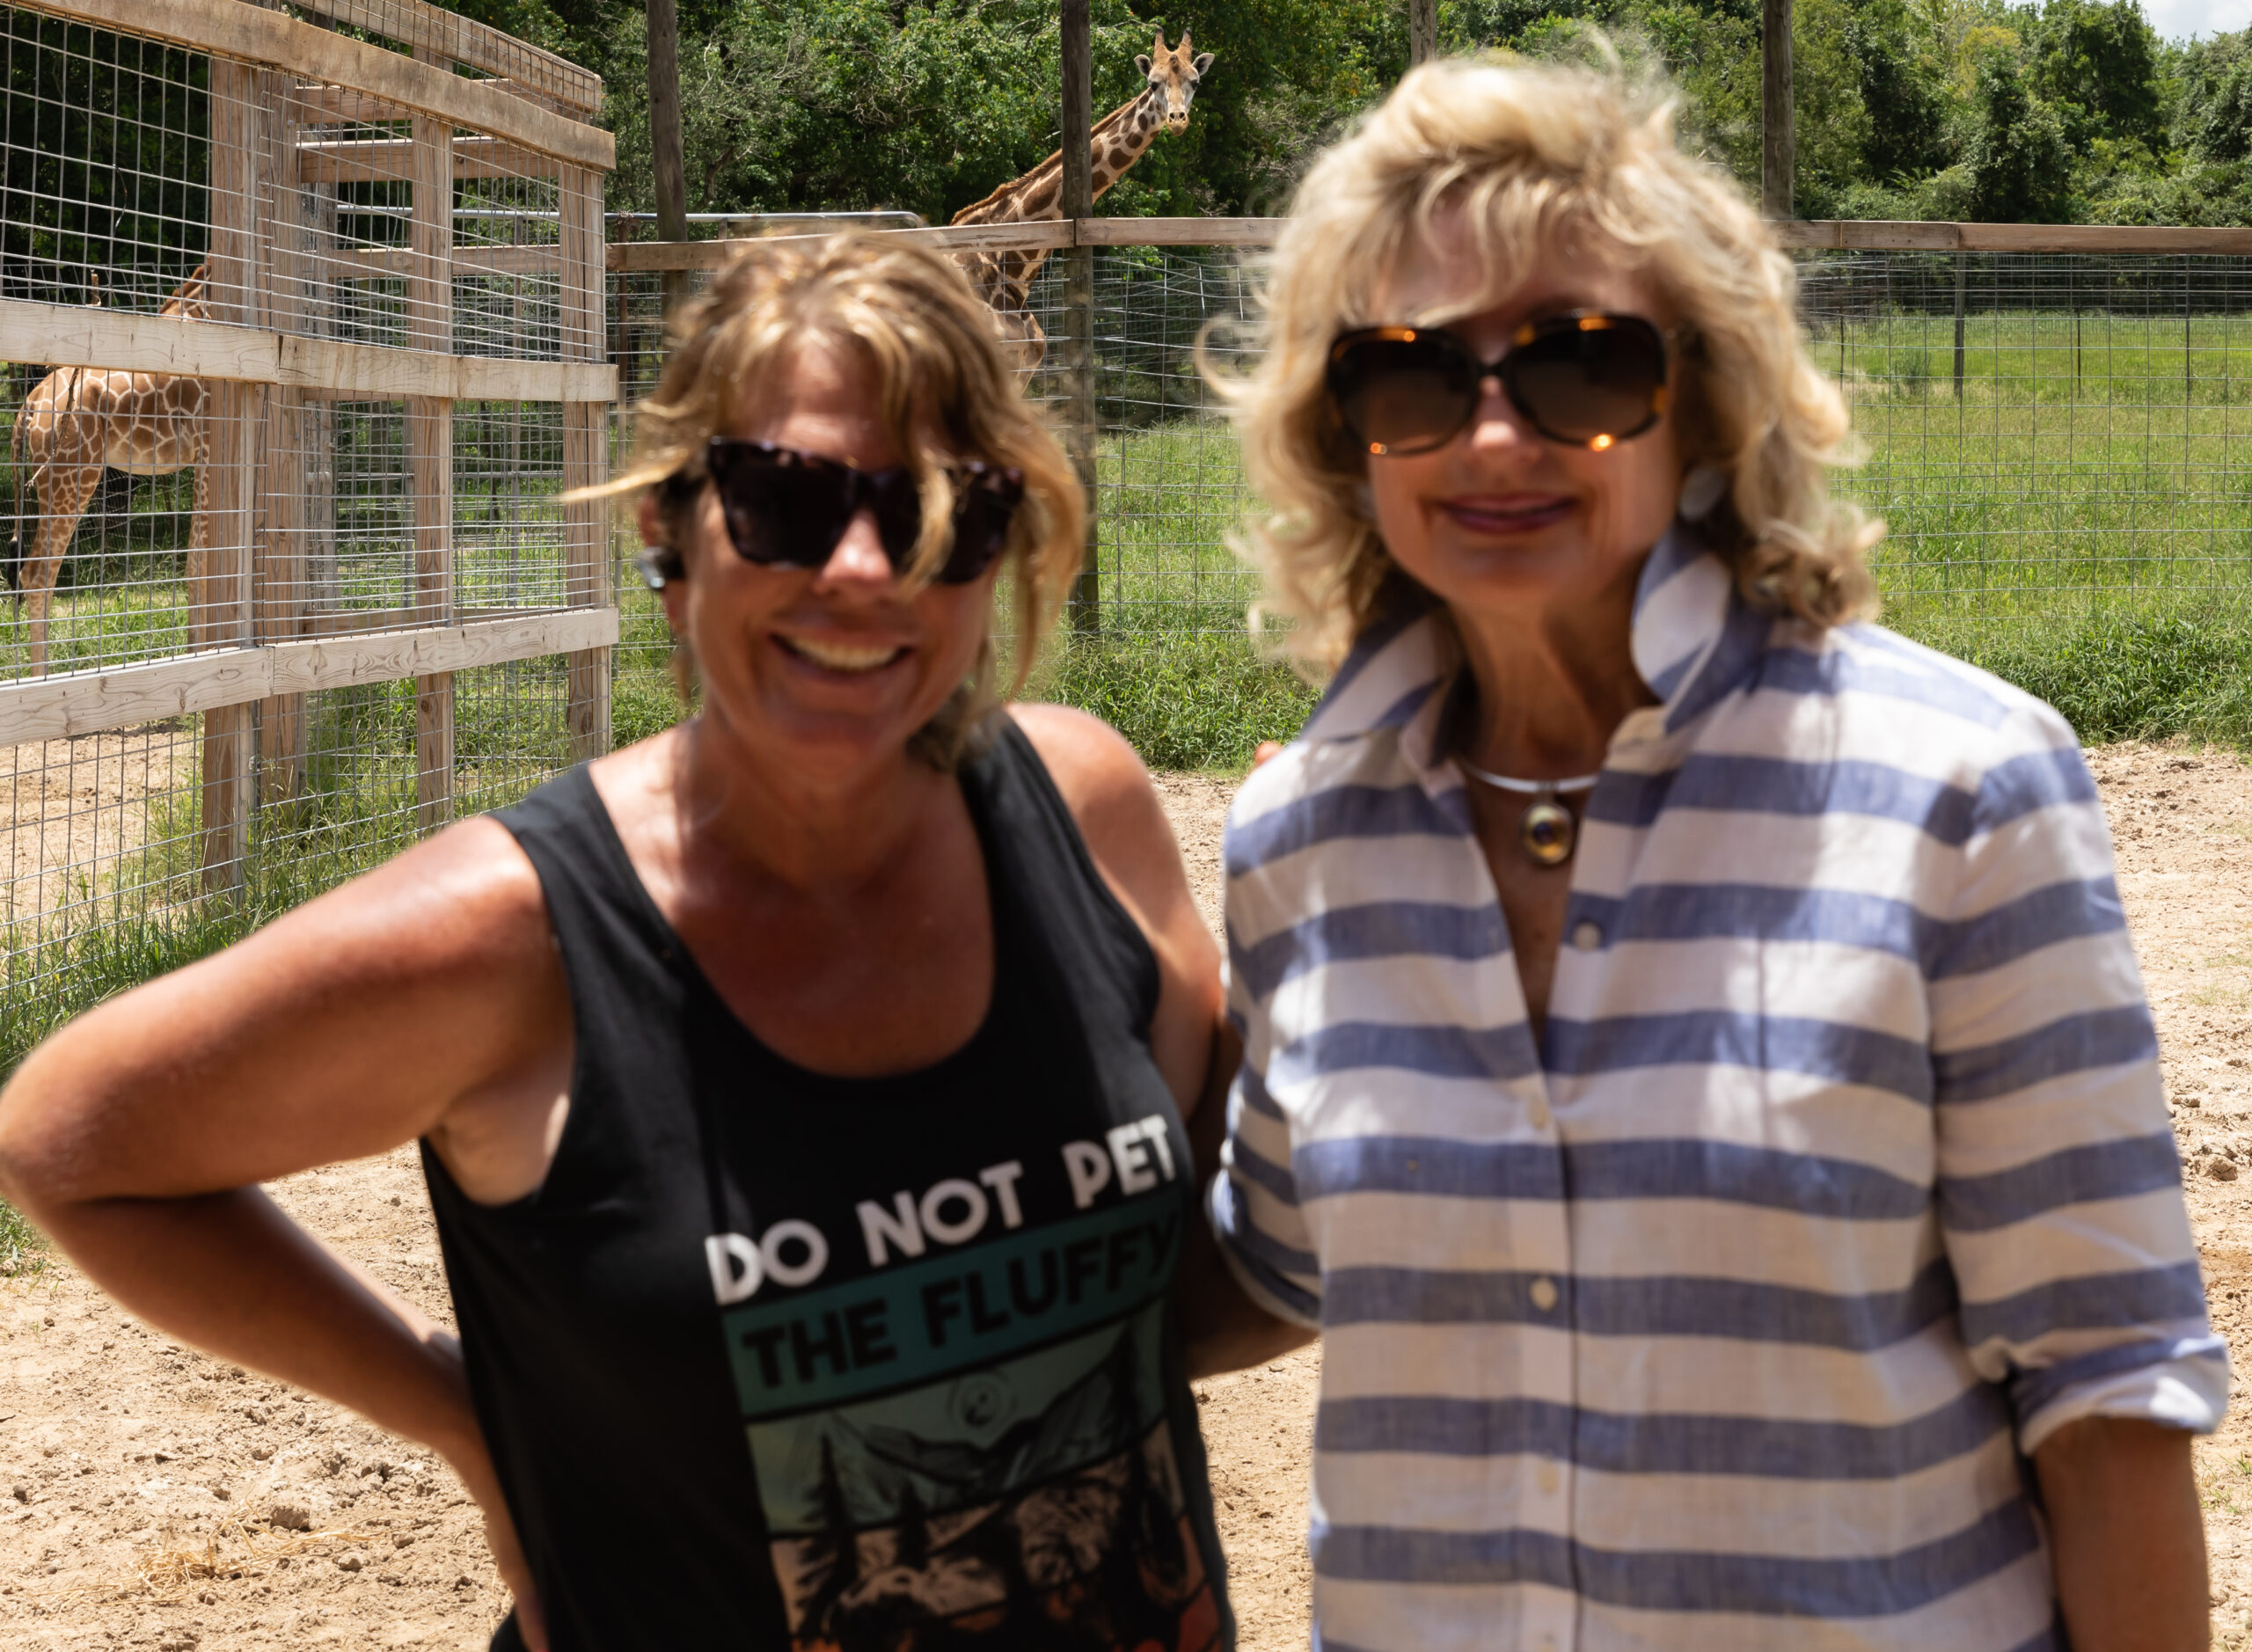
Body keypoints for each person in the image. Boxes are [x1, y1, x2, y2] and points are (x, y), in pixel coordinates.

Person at [0, 234, 1283, 1652]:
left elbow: (1201, 1281)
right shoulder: (525, 934)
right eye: (786, 501)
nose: (866, 566)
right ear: (669, 531)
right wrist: (464, 1415)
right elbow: (73, 1142)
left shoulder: (1087, 812)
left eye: (942, 512)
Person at [1204, 54, 2226, 1652]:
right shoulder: (1296, 842)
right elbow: (1274, 1257)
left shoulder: (1958, 793)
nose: (1493, 438)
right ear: (1344, 434)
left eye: (1579, 361)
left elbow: (2106, 1399)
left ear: (1699, 396)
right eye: (1410, 375)